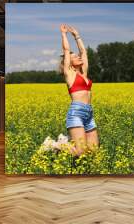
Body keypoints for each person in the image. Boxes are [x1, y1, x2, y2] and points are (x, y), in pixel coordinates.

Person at [59, 24, 99, 156]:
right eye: (75, 57)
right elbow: (66, 50)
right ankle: (56, 145)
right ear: (69, 62)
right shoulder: (70, 74)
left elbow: (84, 52)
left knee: (93, 151)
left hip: (89, 113)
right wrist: (64, 34)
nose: (79, 57)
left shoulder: (83, 73)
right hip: (76, 113)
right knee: (80, 152)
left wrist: (77, 36)